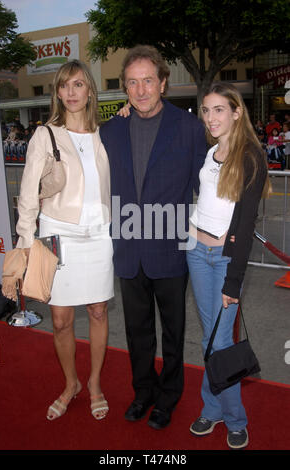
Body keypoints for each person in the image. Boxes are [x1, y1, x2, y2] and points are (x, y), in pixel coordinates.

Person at [100, 44, 207, 430]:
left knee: (174, 333)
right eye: (132, 82)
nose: (141, 89)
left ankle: (168, 397)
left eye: (148, 80)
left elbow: (206, 188)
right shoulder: (109, 131)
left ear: (163, 82)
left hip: (171, 250)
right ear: (125, 89)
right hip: (128, 249)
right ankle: (143, 391)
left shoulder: (190, 128)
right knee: (137, 331)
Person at [15, 60, 113, 421]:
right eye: (64, 86)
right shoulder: (46, 134)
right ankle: (70, 383)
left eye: (78, 85)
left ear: (89, 90)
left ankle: (95, 383)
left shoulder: (105, 134)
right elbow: (28, 193)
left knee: (99, 311)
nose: (71, 93)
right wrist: (26, 242)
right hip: (58, 235)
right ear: (57, 92)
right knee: (60, 320)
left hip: (99, 235)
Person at [186, 82, 271, 449]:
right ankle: (215, 409)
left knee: (220, 341)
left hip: (223, 260)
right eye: (206, 110)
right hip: (196, 253)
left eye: (219, 109)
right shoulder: (211, 152)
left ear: (237, 112)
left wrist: (233, 282)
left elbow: (246, 219)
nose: (210, 117)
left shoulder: (251, 155)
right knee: (210, 338)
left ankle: (232, 417)